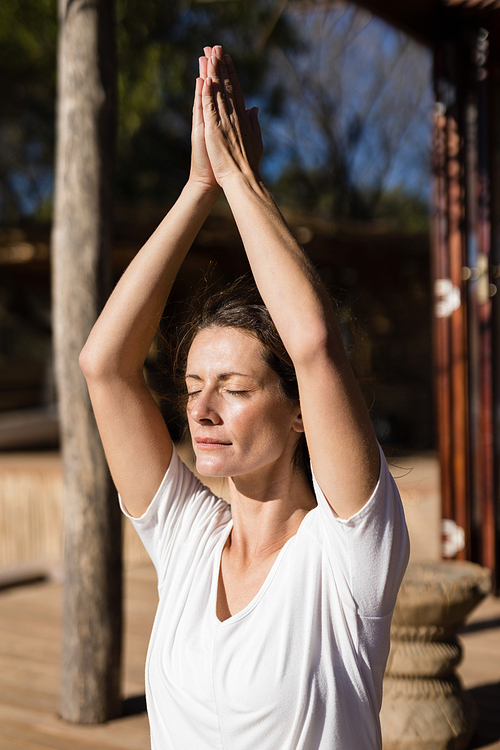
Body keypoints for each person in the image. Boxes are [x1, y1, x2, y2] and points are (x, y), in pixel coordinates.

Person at [80, 45, 409, 750]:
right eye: (194, 388)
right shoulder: (189, 538)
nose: (201, 411)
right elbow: (104, 366)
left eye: (233, 390)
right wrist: (197, 188)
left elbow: (316, 344)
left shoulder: (348, 555)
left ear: (299, 413)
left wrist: (239, 181)